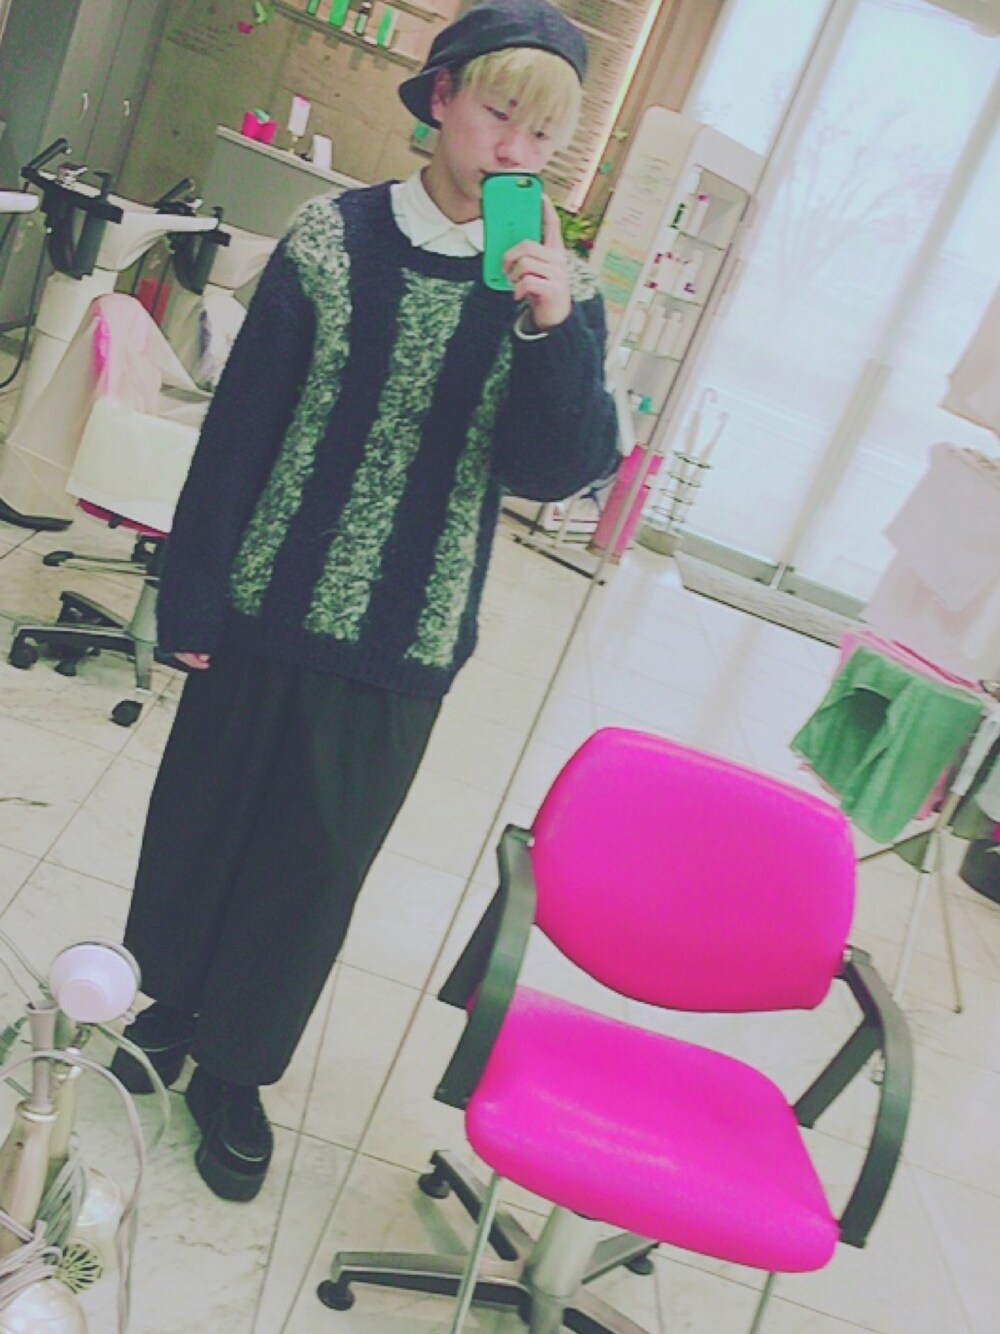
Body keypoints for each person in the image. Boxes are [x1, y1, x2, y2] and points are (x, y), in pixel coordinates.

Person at [112, 0, 619, 1203]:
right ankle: (165, 1006)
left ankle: (236, 1069)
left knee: (316, 859)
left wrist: (552, 328)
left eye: (544, 138)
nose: (515, 151)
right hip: (262, 596)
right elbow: (241, 428)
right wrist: (192, 594)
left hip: (405, 628)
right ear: (440, 97)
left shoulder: (559, 287)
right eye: (499, 114)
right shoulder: (331, 238)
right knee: (202, 821)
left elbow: (555, 469)